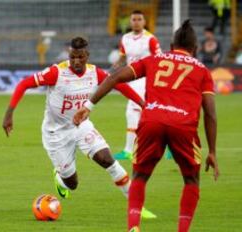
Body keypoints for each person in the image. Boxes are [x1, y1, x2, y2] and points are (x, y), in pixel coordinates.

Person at [74, 20, 219, 232]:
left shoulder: (154, 59)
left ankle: (134, 227)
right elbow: (211, 114)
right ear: (195, 49)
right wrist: (213, 151)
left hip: (152, 121)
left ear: (171, 46)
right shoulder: (203, 71)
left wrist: (88, 105)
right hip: (183, 125)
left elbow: (115, 77)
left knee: (140, 176)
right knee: (191, 180)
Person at [3, 37, 156, 219]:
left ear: (87, 56)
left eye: (80, 57)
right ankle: (60, 178)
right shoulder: (56, 73)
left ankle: (137, 207)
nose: (76, 61)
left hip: (81, 126)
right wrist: (9, 113)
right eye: (73, 57)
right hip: (56, 134)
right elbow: (24, 84)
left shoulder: (94, 73)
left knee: (108, 160)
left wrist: (142, 103)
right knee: (72, 183)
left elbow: (118, 84)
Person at [113, 10, 162, 160]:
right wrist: (117, 65)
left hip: (144, 79)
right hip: (131, 79)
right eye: (133, 19)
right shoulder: (125, 38)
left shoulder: (150, 39)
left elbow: (159, 59)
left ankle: (129, 150)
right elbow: (123, 57)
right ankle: (166, 146)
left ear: (144, 22)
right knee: (149, 113)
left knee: (133, 112)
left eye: (139, 19)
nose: (136, 22)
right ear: (130, 22)